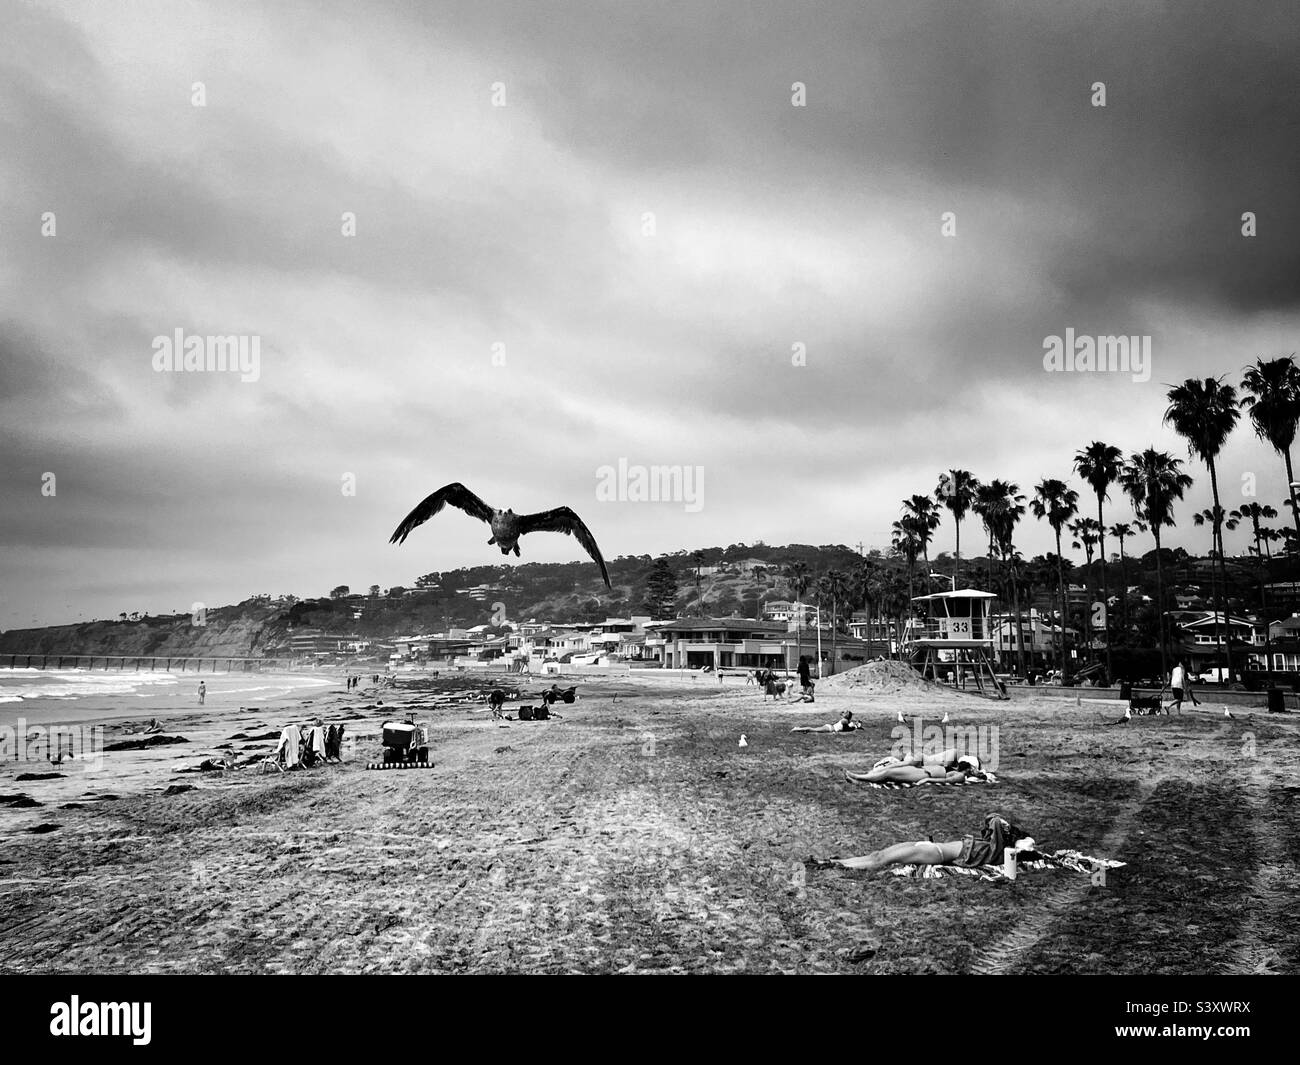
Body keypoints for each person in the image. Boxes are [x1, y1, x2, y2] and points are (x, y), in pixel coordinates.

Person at [807, 813, 1033, 873]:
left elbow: (993, 820)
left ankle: (836, 865)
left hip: (934, 855)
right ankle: (836, 861)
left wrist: (1012, 835)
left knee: (882, 860)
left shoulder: (997, 851)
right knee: (878, 854)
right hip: (928, 846)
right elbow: (990, 821)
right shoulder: (990, 844)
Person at [844, 748, 984, 786]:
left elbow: (946, 781)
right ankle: (859, 777)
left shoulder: (960, 776)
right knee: (889, 771)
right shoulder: (955, 768)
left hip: (924, 775)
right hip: (921, 770)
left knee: (888, 774)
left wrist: (928, 781)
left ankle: (858, 777)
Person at [790, 710, 864, 734]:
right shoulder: (845, 721)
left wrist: (855, 726)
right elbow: (846, 729)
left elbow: (847, 728)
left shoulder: (845, 720)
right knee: (812, 729)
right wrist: (855, 727)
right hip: (830, 729)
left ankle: (799, 729)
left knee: (812, 730)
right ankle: (796, 729)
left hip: (830, 727)